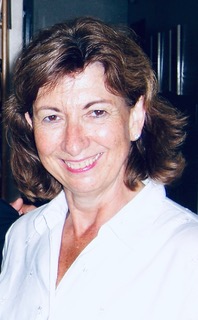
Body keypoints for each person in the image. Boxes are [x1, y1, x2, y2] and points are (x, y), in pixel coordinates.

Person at [0, 16, 198, 320]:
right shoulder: (22, 237)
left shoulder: (187, 252)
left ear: (136, 118)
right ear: (30, 125)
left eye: (96, 112)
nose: (74, 143)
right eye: (52, 117)